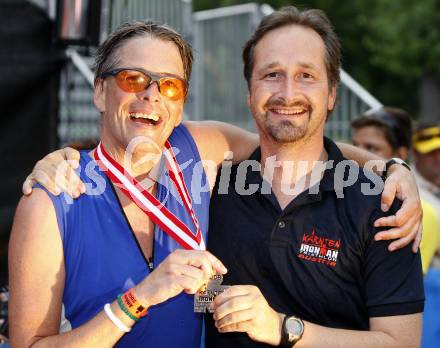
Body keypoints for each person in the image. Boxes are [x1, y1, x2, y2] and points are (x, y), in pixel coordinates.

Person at [18, 13, 423, 347]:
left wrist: (393, 169)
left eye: (169, 85)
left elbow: (295, 139)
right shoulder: (55, 196)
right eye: (133, 80)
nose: (152, 96)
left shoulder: (199, 155)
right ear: (99, 91)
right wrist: (137, 300)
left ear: (181, 104)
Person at [205, 7, 424, 347]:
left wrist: (284, 329)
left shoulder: (382, 204)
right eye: (272, 74)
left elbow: (401, 343)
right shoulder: (210, 189)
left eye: (306, 75)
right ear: (249, 92)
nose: (288, 93)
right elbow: (202, 302)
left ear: (332, 93)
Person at [352, 107, 440, 272]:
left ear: (400, 155)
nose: (357, 155)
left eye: (371, 148)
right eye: (354, 146)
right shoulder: (339, 194)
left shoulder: (416, 210)